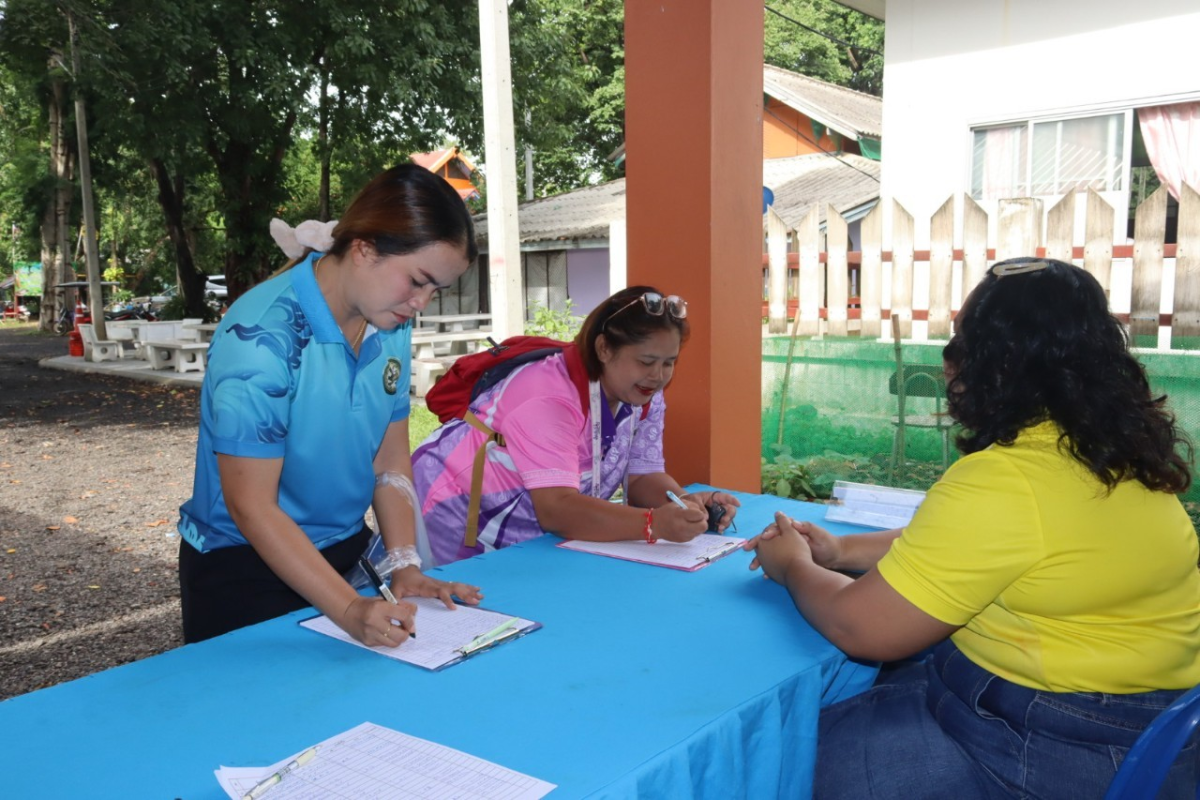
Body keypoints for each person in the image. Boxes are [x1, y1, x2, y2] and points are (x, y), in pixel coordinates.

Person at [747, 257, 1200, 798]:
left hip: (1050, 741)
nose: (947, 362)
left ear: (994, 365)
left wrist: (792, 565)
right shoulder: (1111, 453)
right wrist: (839, 549)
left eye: (961, 342)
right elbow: (986, 551)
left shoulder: (1006, 480)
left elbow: (862, 629)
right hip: (1147, 728)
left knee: (783, 759)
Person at [177, 164, 483, 647]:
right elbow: (250, 505)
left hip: (344, 553)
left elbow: (388, 458)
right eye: (418, 281)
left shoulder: (389, 322)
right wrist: (346, 606)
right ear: (364, 249)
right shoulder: (261, 337)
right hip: (245, 567)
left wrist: (402, 563)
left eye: (435, 290)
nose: (421, 303)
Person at [412, 285, 740, 565]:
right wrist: (653, 524)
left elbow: (642, 477)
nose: (658, 376)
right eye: (646, 361)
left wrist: (685, 504)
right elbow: (556, 510)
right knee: (460, 619)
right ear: (603, 349)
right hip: (456, 513)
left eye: (670, 363)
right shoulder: (548, 396)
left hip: (532, 527)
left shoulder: (643, 394)